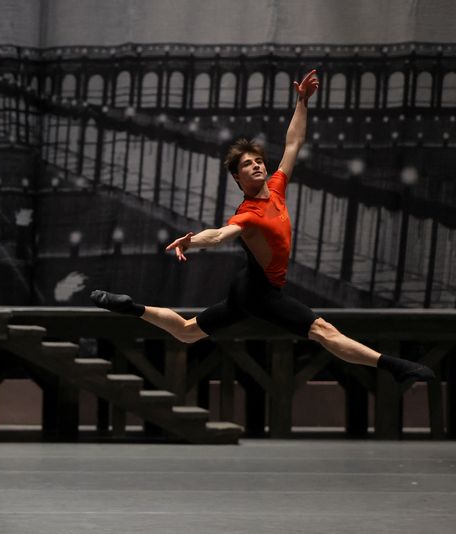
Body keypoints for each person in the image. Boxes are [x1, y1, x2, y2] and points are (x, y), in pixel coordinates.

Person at [91, 70, 434, 384]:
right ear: (238, 179)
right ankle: (396, 367)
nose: (255, 166)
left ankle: (131, 308)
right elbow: (221, 235)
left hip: (247, 287)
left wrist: (302, 102)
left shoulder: (278, 186)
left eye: (258, 161)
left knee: (187, 331)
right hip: (260, 293)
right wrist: (192, 241)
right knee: (323, 330)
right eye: (246, 165)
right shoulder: (249, 211)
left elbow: (293, 143)